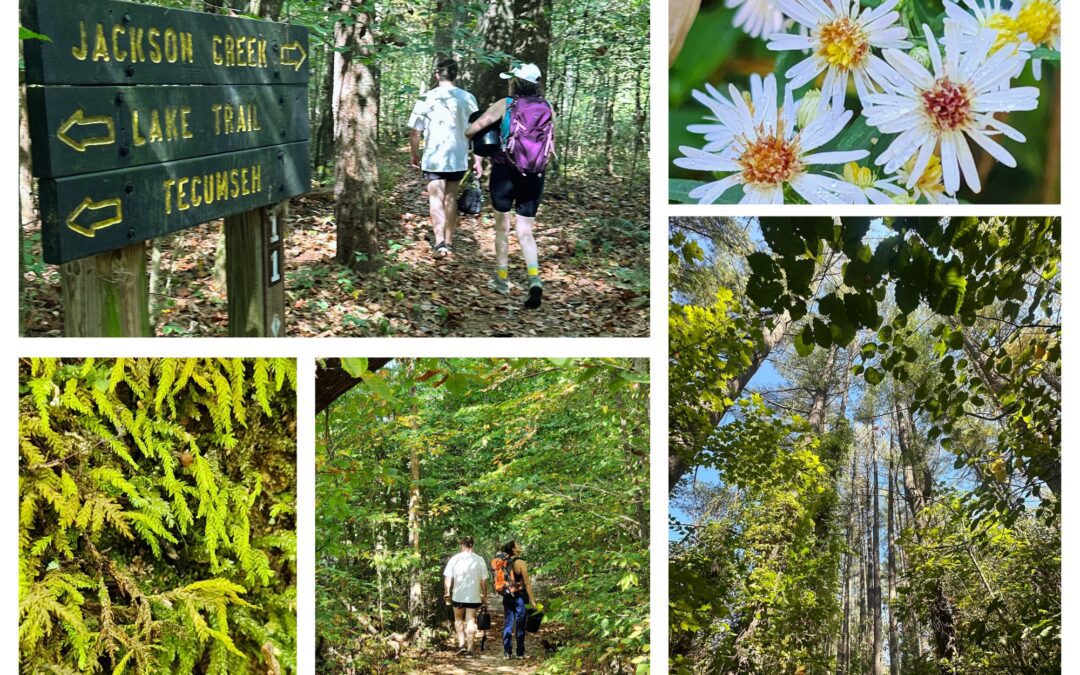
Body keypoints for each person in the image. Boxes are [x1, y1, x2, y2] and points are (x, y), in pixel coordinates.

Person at [465, 63, 554, 309]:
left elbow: (473, 130)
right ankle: (534, 280)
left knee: (502, 229)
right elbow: (550, 142)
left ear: (515, 82)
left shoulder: (506, 104)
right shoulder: (548, 106)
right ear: (537, 84)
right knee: (526, 232)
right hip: (535, 175)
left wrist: (472, 135)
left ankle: (502, 280)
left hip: (505, 173)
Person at [408, 59, 482, 258]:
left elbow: (415, 131)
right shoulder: (467, 98)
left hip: (433, 156)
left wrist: (414, 154)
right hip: (457, 156)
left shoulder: (426, 98)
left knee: (435, 198)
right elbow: (476, 130)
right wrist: (477, 158)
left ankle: (439, 241)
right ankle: (449, 242)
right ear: (456, 75)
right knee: (450, 197)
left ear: (437, 75)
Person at [443, 536, 489, 656]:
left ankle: (461, 644)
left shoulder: (455, 559)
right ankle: (470, 648)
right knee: (470, 620)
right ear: (472, 545)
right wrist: (484, 595)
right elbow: (484, 580)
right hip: (473, 596)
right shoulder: (479, 560)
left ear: (462, 545)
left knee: (458, 619)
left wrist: (447, 592)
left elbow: (448, 577)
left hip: (458, 595)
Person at [496, 540, 536, 660]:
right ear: (513, 549)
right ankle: (520, 653)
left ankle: (507, 652)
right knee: (520, 624)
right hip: (520, 597)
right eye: (518, 544)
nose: (520, 545)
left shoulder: (504, 562)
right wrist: (533, 600)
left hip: (507, 596)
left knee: (508, 623)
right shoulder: (520, 562)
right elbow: (527, 583)